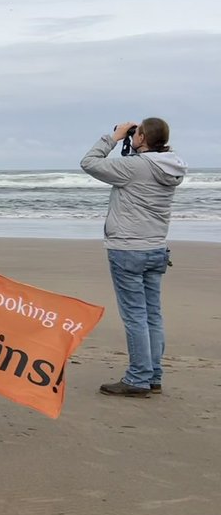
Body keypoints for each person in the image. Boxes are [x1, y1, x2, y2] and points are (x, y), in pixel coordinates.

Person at [81, 119, 186, 397]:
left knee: (135, 317)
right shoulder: (171, 166)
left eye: (137, 133)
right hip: (156, 248)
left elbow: (89, 163)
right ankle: (153, 375)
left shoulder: (134, 167)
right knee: (153, 315)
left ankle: (138, 378)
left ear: (142, 138)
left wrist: (113, 137)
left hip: (128, 249)